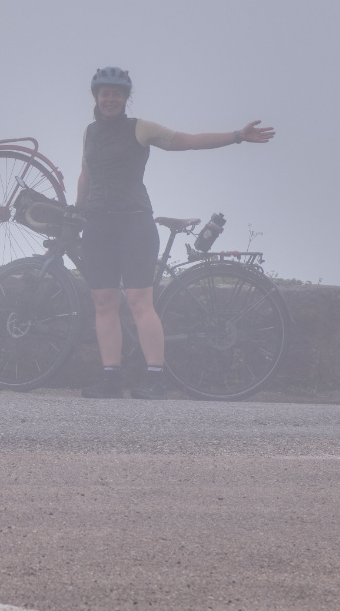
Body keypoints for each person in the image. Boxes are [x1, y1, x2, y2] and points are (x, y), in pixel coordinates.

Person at [75, 67, 274, 399]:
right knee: (104, 301)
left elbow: (190, 142)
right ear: (96, 96)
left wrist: (237, 136)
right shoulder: (89, 132)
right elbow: (85, 175)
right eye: (105, 93)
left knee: (139, 301)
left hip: (133, 222)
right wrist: (76, 210)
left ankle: (155, 380)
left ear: (126, 98)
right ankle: (111, 377)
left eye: (117, 94)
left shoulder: (141, 129)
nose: (110, 99)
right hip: (98, 224)